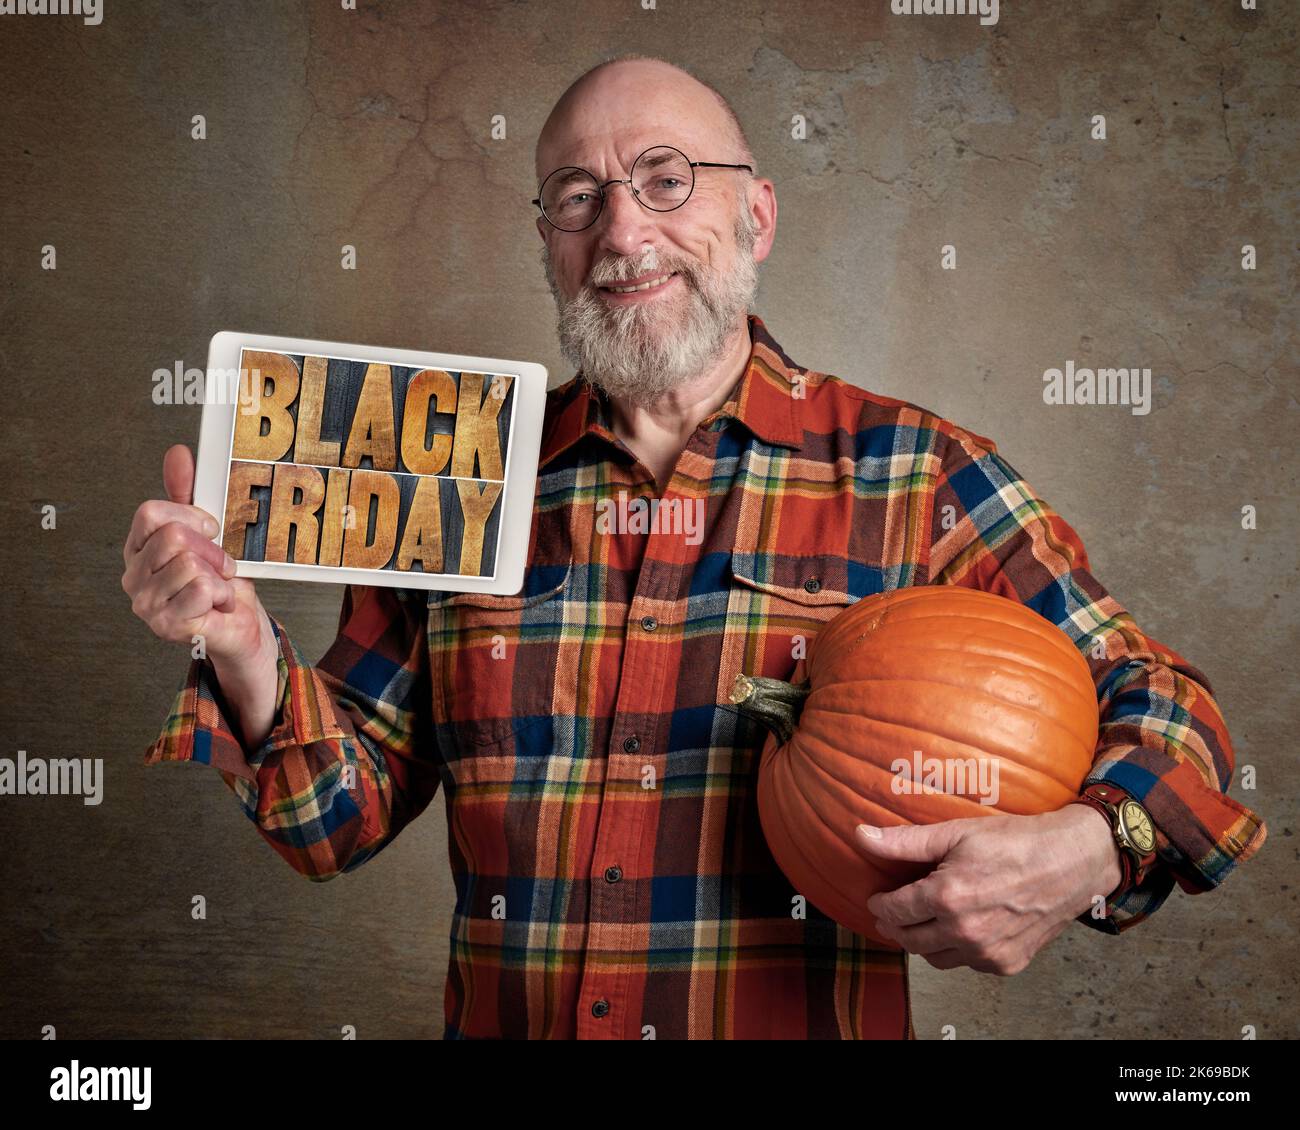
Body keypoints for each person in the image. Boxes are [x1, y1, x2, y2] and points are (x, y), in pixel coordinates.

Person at [122, 54, 1266, 1040]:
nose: (623, 231)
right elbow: (338, 817)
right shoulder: (460, 469)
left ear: (756, 216)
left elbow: (1169, 706)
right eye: (576, 197)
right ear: (547, 243)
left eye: (665, 179)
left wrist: (1093, 840)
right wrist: (241, 649)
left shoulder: (913, 473)